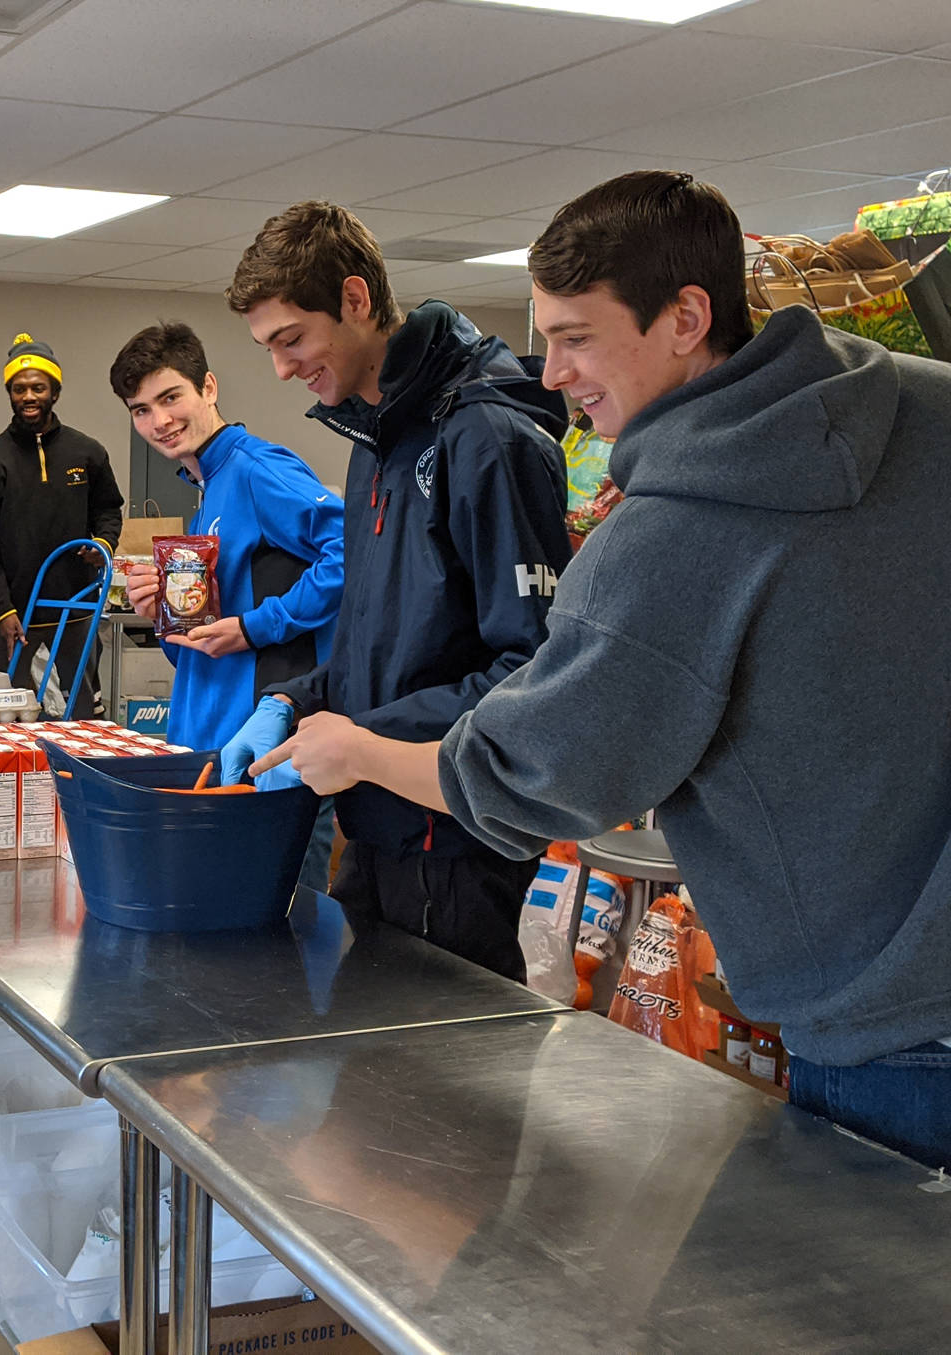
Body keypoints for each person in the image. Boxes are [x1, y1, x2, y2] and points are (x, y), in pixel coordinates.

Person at [271, 170, 951, 1169]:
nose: (549, 373)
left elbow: (533, 772)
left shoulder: (664, 541)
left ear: (684, 316)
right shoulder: (922, 406)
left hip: (884, 1021)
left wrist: (360, 751)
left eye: (575, 335)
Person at [217, 202, 570, 982]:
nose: (281, 368)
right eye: (267, 347)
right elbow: (386, 645)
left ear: (354, 299)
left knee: (437, 1100)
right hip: (374, 824)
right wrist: (300, 702)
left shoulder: (485, 439)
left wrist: (363, 741)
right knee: (361, 1087)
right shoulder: (372, 437)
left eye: (291, 340)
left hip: (453, 839)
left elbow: (532, 672)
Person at [108, 321, 345, 891]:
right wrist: (162, 616)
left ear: (208, 388)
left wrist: (257, 627)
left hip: (266, 756)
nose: (159, 421)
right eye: (141, 410)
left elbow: (351, 553)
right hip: (209, 743)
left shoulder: (258, 469)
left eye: (171, 398)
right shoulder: (208, 492)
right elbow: (209, 641)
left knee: (282, 939)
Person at [0, 333, 124, 715]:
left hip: (77, 612)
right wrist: (1, 611)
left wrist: (103, 544)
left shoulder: (86, 452)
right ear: (10, 394)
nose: (28, 396)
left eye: (38, 387)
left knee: (82, 716)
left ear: (54, 391)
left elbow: (108, 510)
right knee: (15, 723)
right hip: (14, 619)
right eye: (19, 389)